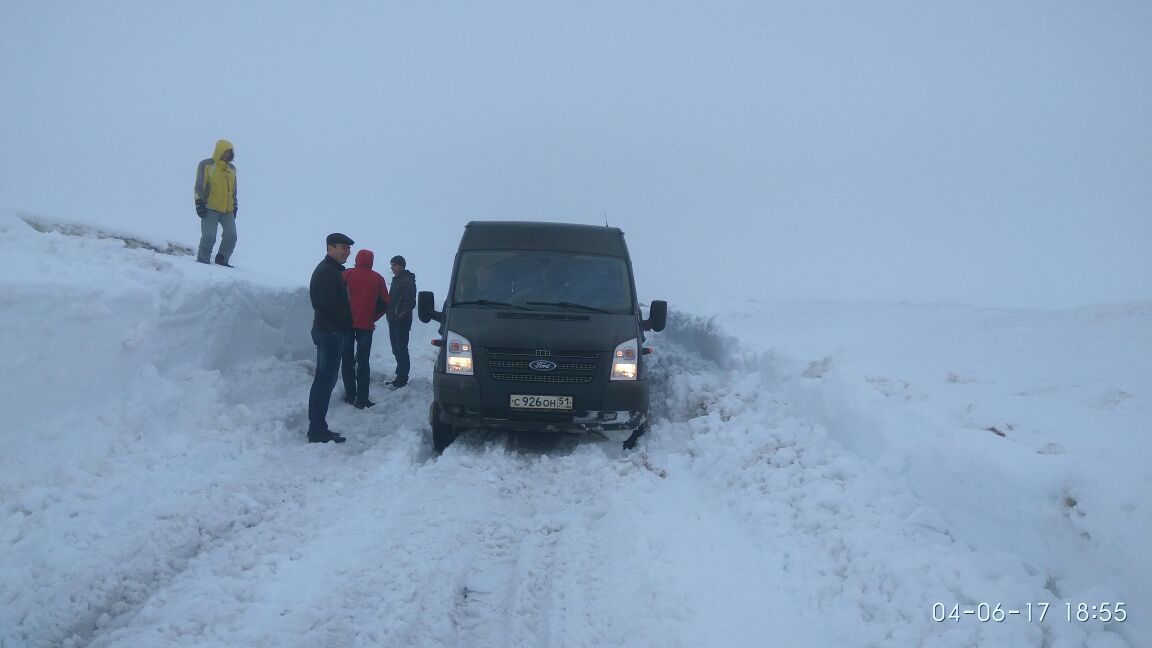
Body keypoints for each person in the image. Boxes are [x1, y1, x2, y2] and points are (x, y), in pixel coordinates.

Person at [307, 233, 355, 443]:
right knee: (324, 380)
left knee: (326, 380)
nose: (347, 251)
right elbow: (329, 305)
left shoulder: (332, 270)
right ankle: (316, 429)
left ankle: (319, 427)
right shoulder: (327, 271)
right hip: (329, 331)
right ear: (330, 248)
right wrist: (347, 322)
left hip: (330, 330)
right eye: (343, 247)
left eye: (348, 248)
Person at [341, 249, 389, 409]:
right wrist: (371, 317)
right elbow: (385, 303)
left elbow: (337, 297)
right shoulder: (378, 279)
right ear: (371, 261)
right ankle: (362, 399)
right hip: (366, 326)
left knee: (347, 361)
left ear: (357, 259)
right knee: (363, 362)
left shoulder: (347, 274)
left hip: (346, 324)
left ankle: (349, 395)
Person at [193, 139, 238, 267]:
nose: (228, 155)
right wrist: (199, 203)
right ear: (220, 151)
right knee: (209, 237)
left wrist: (235, 206)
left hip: (227, 210)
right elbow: (199, 186)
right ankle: (203, 261)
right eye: (226, 152)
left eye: (230, 153)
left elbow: (234, 190)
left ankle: (222, 259)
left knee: (231, 235)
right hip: (210, 207)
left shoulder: (232, 169)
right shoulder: (206, 165)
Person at [385, 255, 416, 388]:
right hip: (393, 320)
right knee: (396, 349)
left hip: (401, 322)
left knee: (401, 348)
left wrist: (399, 316)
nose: (392, 267)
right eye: (391, 265)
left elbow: (409, 303)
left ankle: (402, 378)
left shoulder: (407, 281)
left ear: (401, 266)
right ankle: (400, 375)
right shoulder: (397, 280)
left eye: (394, 265)